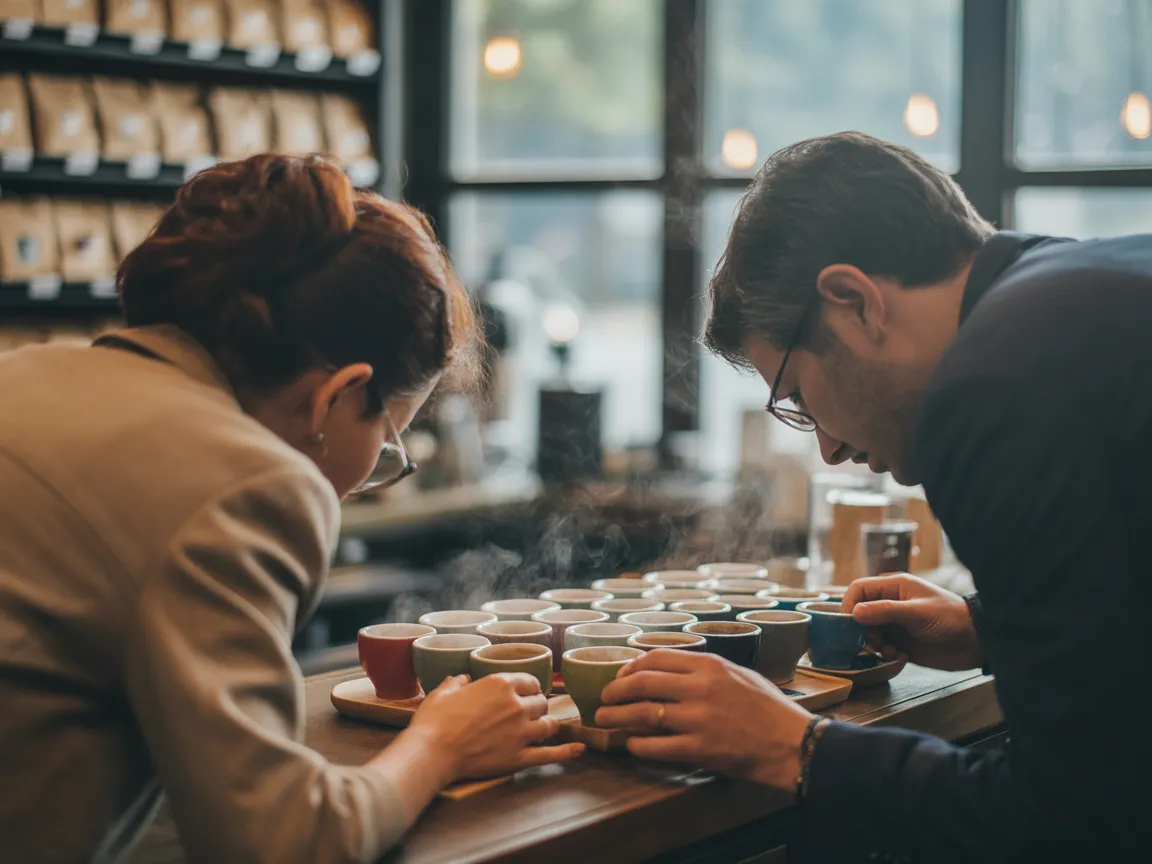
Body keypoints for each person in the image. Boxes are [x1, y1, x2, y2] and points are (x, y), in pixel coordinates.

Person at [0, 154, 583, 864]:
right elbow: (283, 842)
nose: (378, 468)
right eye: (391, 438)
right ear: (338, 396)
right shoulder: (247, 483)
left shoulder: (25, 372)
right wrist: (442, 741)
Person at [595, 131, 1151, 861]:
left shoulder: (989, 389)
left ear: (855, 301)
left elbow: (1080, 822)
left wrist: (795, 746)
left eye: (796, 396)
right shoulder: (1082, 280)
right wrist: (991, 628)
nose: (827, 448)